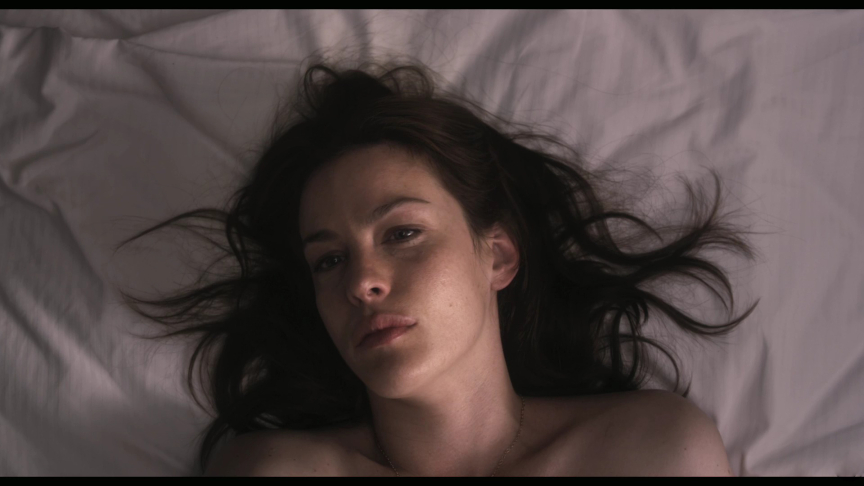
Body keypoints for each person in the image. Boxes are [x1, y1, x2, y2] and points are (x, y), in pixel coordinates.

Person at [114, 59, 758, 476]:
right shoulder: (274, 472)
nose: (360, 282)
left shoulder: (650, 451)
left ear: (497, 255)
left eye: (402, 233)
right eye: (329, 259)